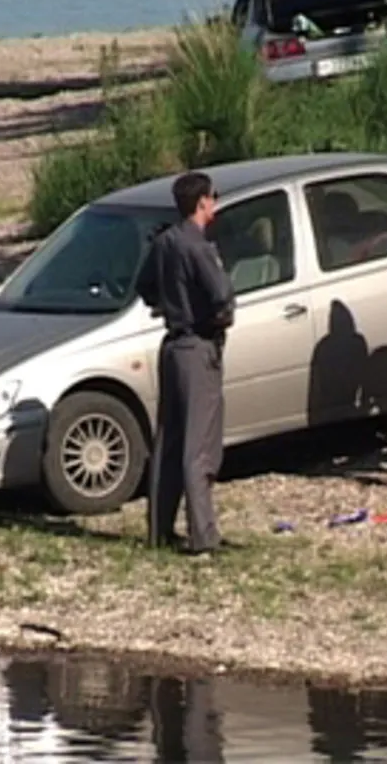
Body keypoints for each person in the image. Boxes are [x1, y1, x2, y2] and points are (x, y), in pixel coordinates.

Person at [136, 171, 235, 555]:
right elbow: (222, 296)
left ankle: (159, 529)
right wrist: (216, 318)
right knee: (200, 444)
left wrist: (166, 304)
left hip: (171, 346)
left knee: (170, 440)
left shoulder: (163, 243)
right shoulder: (198, 247)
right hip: (198, 348)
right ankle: (203, 535)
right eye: (214, 198)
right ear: (203, 203)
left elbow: (143, 287)